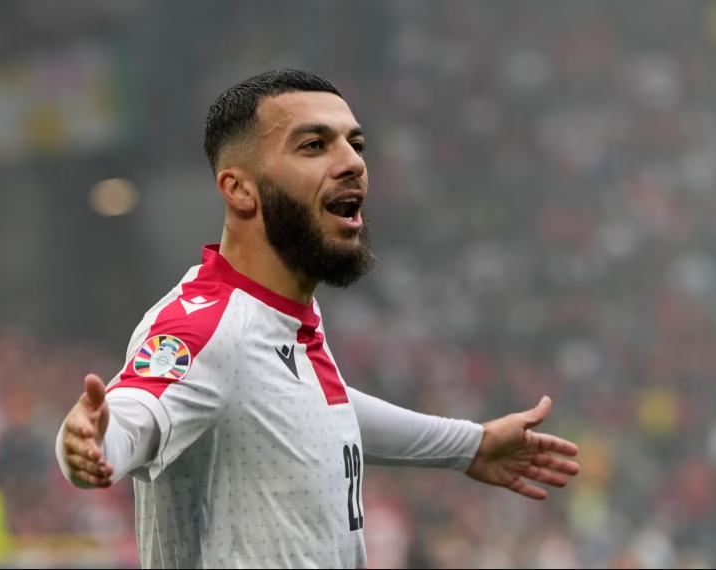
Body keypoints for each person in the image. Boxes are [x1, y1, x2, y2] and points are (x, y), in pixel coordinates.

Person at [55, 69, 581, 569]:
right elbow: (137, 409)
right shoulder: (206, 324)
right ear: (239, 189)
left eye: (357, 144)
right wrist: (95, 442)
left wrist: (470, 446)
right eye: (313, 145)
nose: (352, 162)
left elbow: (314, 407)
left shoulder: (284, 315)